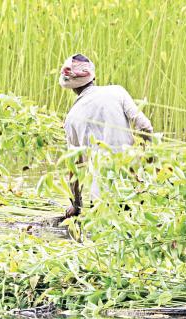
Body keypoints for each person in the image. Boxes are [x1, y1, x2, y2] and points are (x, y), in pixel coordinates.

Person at [60, 54, 153, 218]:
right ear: (93, 76)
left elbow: (76, 168)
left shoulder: (72, 118)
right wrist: (147, 158)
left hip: (101, 196)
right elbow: (145, 127)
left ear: (70, 86)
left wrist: (76, 204)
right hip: (134, 185)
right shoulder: (117, 92)